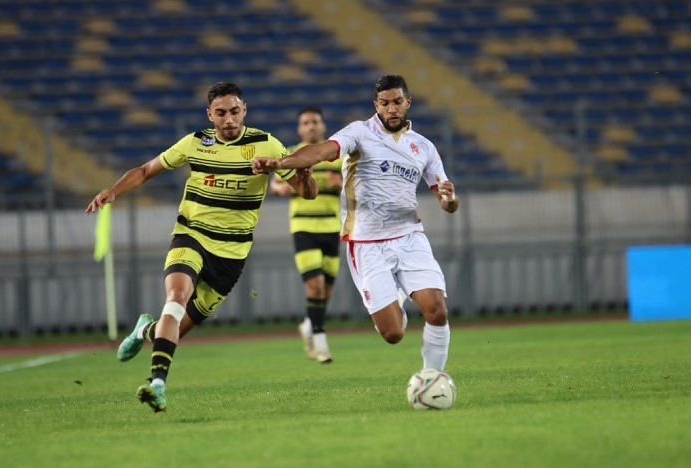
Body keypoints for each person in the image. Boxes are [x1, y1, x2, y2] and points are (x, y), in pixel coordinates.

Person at [85, 82, 317, 413]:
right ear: (210, 114)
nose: (228, 119)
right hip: (191, 235)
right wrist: (113, 191)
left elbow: (307, 193)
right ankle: (157, 385)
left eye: (234, 111)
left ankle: (143, 331)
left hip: (232, 254)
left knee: (176, 328)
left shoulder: (266, 144)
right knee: (176, 298)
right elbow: (146, 170)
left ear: (244, 110)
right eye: (220, 113)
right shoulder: (195, 142)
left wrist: (305, 177)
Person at [253, 75, 458, 373]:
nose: (391, 109)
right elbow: (322, 151)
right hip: (366, 243)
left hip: (410, 237)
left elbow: (447, 202)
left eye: (397, 102)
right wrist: (282, 163)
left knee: (437, 311)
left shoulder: (424, 147)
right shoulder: (360, 132)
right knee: (393, 334)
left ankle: (432, 378)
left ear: (408, 103)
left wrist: (450, 199)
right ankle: (395, 296)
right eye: (385, 103)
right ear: (376, 104)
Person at [269, 107, 342, 364]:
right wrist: (281, 188)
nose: (311, 126)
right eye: (306, 123)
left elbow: (357, 185)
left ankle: (309, 324)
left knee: (326, 291)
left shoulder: (337, 155)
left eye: (315, 122)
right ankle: (320, 342)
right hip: (304, 227)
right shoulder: (292, 155)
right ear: (300, 128)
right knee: (315, 285)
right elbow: (276, 183)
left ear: (323, 125)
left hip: (332, 227)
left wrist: (342, 184)